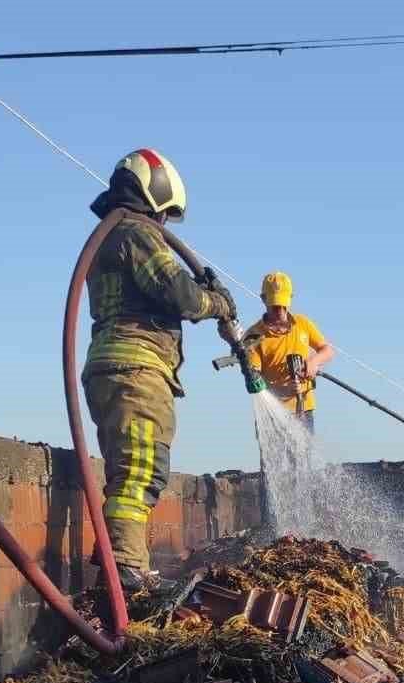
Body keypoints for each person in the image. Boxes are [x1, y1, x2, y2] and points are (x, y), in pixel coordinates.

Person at [82, 149, 237, 593]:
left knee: (127, 470)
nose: (165, 225)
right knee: (140, 470)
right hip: (138, 367)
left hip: (112, 364)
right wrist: (219, 302)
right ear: (153, 195)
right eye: (165, 214)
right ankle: (126, 570)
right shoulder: (136, 231)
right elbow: (180, 295)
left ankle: (119, 562)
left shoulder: (111, 234)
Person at [235, 272, 336, 431]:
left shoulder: (303, 324)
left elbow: (327, 350)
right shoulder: (253, 336)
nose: (280, 310)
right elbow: (255, 378)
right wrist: (285, 389)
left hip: (304, 410)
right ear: (263, 299)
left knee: (303, 456)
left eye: (283, 305)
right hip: (273, 414)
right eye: (275, 306)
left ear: (291, 298)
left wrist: (313, 362)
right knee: (275, 457)